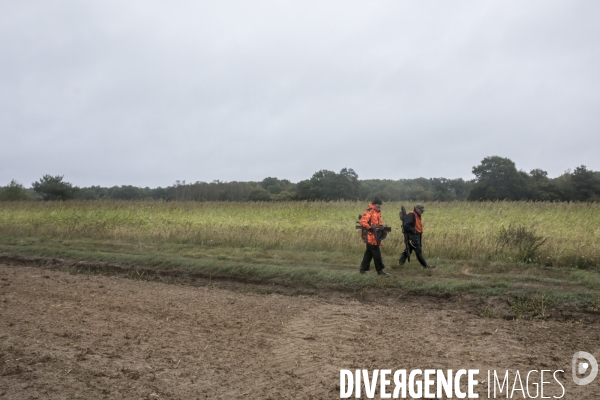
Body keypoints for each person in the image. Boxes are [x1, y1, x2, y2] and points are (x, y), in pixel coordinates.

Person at [359, 197, 390, 275]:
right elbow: (363, 222)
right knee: (376, 253)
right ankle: (380, 271)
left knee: (369, 253)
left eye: (380, 204)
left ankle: (362, 270)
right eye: (377, 204)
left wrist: (382, 227)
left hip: (375, 236)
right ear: (373, 204)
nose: (379, 205)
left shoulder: (378, 212)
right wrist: (371, 229)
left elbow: (377, 224)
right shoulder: (369, 211)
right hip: (369, 237)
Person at [399, 204, 436, 269]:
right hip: (413, 236)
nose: (422, 212)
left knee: (408, 250)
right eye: (421, 210)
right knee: (418, 251)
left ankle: (400, 264)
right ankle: (425, 266)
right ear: (417, 209)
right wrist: (414, 231)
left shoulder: (416, 215)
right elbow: (406, 225)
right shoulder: (411, 215)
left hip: (415, 236)